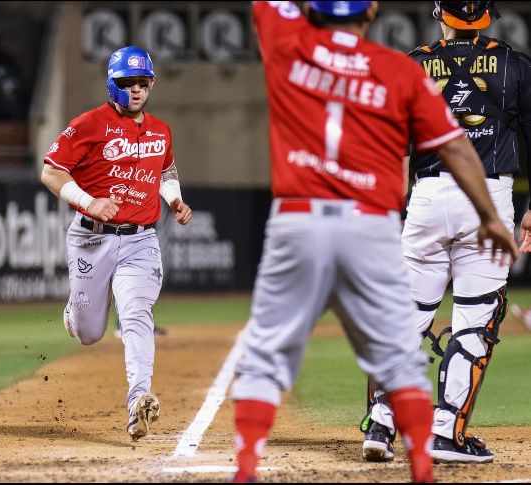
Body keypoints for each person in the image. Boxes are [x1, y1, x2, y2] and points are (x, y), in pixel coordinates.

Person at [230, 2, 518, 483]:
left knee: (271, 349)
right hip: (377, 219)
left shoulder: (292, 45)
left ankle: (260, 465)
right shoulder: (393, 71)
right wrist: (489, 217)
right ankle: (428, 460)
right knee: (412, 340)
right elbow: (453, 145)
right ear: (370, 12)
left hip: (301, 216)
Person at [361, 0, 531, 465]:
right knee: (475, 320)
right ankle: (445, 432)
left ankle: (381, 422)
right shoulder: (515, 65)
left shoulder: (412, 65)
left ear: (441, 15)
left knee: (406, 316)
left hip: (428, 198)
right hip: (488, 199)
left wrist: (394, 211)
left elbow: (392, 150)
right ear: (486, 17)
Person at [39, 46, 192, 441]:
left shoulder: (160, 129)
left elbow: (167, 166)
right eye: (127, 83)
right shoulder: (89, 124)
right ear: (112, 83)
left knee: (136, 312)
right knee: (89, 332)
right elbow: (51, 172)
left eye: (143, 83)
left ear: (152, 84)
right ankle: (76, 310)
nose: (136, 90)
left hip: (140, 241)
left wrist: (173, 198)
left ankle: (138, 400)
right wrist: (89, 202)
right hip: (92, 239)